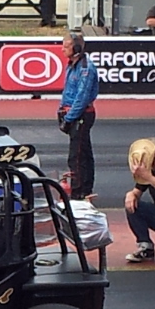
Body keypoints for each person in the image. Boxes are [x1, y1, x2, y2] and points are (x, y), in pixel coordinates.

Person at [57, 32, 99, 201]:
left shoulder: (85, 68)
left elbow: (81, 97)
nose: (62, 49)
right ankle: (85, 188)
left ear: (76, 48)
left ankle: (78, 192)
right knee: (84, 153)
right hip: (73, 113)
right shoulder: (72, 65)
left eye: (66, 46)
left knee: (77, 155)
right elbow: (68, 93)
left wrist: (69, 119)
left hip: (80, 115)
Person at [125, 137, 155, 263]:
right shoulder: (152, 169)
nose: (151, 163)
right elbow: (138, 190)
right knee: (134, 205)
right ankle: (145, 246)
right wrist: (132, 194)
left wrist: (148, 177)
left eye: (154, 159)